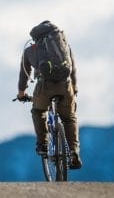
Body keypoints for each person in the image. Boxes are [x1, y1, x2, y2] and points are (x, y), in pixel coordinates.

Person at [16, 20, 82, 169]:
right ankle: (73, 152)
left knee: (38, 111)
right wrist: (74, 86)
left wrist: (21, 93)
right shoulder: (64, 46)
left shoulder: (30, 50)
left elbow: (24, 75)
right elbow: (73, 69)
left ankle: (43, 144)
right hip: (65, 86)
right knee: (69, 118)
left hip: (44, 87)